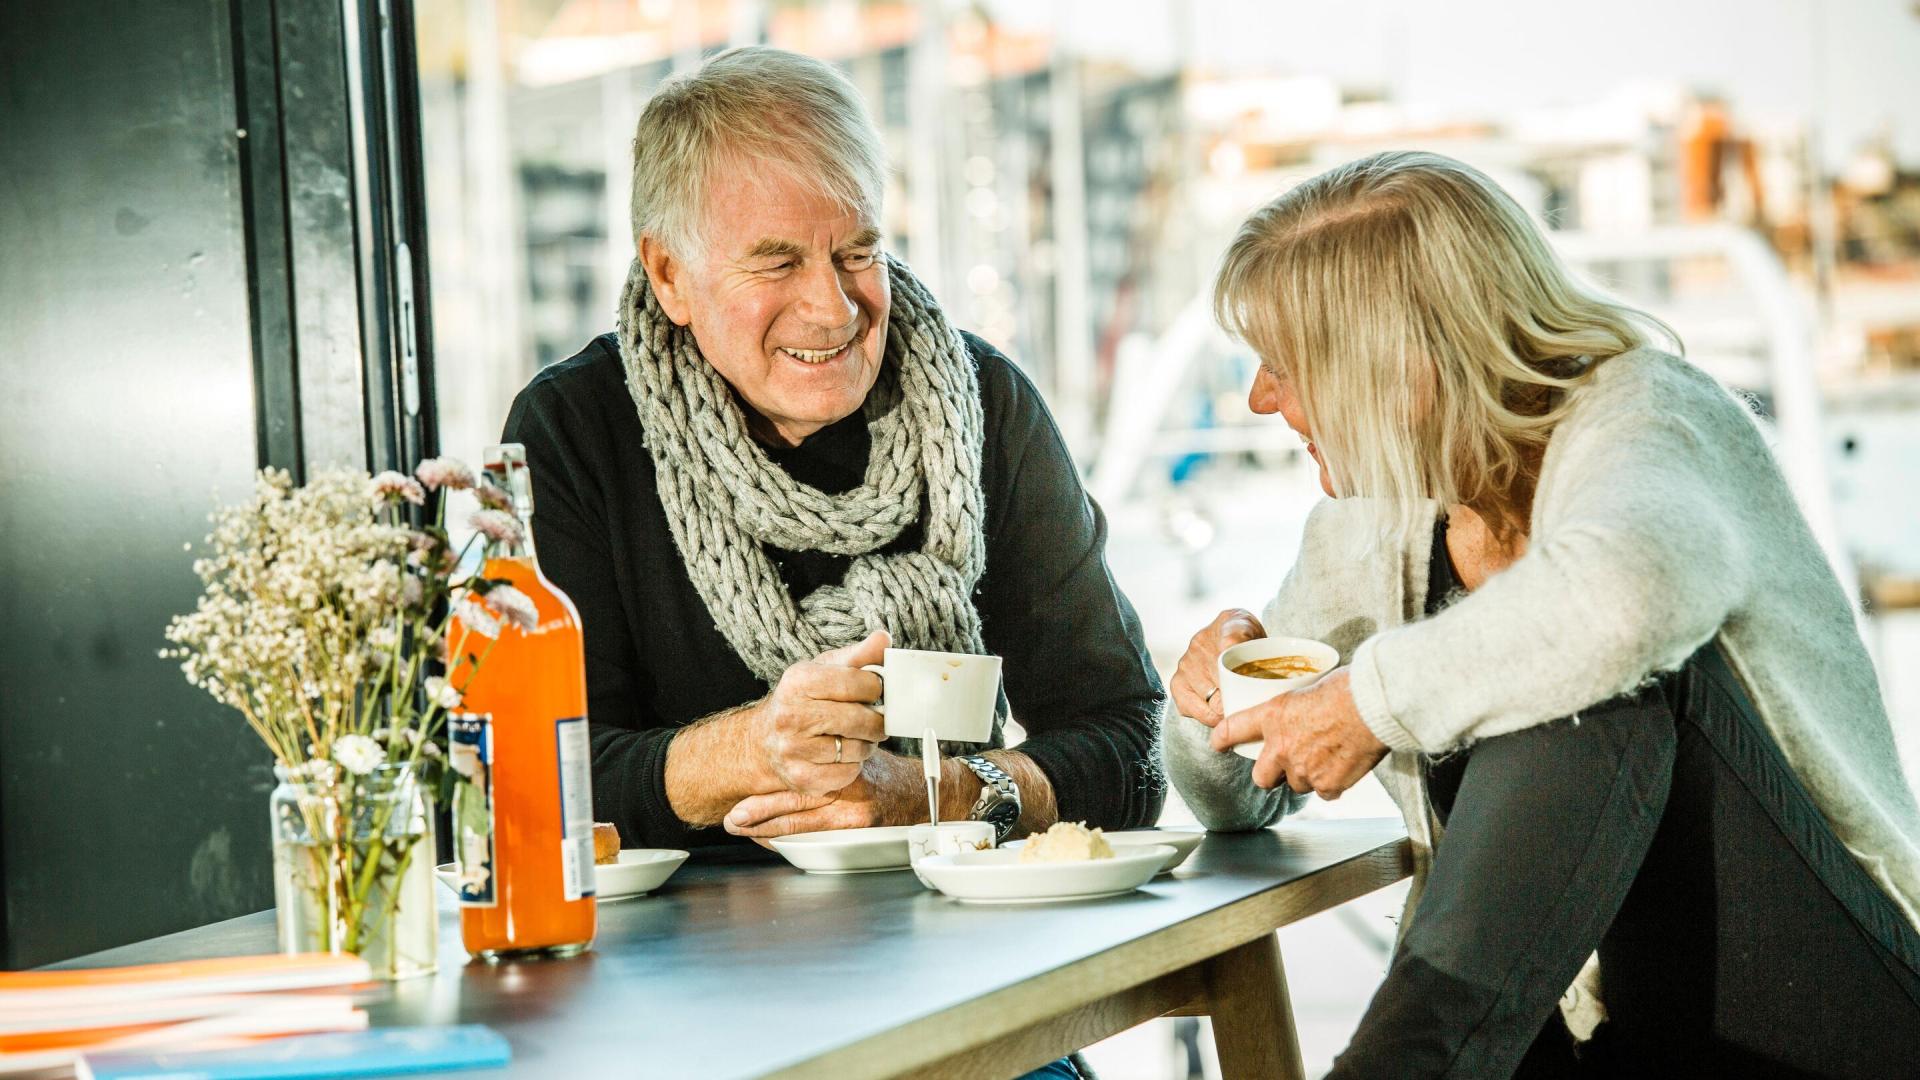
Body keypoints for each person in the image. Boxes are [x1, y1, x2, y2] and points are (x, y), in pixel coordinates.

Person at [1164, 151, 1920, 1078]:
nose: (1260, 398)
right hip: (1582, 1044)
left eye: (1287, 362)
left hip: (1830, 1012)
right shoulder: (1371, 533)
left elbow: (1623, 597)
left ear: (1403, 362)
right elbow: (1239, 789)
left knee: (1593, 673)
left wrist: (1367, 702)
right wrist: (1214, 697)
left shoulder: (1651, 417)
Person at [501, 47, 1163, 868]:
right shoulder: (573, 431)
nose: (833, 307)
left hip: (965, 931)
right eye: (777, 262)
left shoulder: (986, 402)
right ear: (669, 274)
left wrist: (943, 795)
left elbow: (1134, 743)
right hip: (684, 963)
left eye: (858, 252)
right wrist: (746, 752)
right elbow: (534, 783)